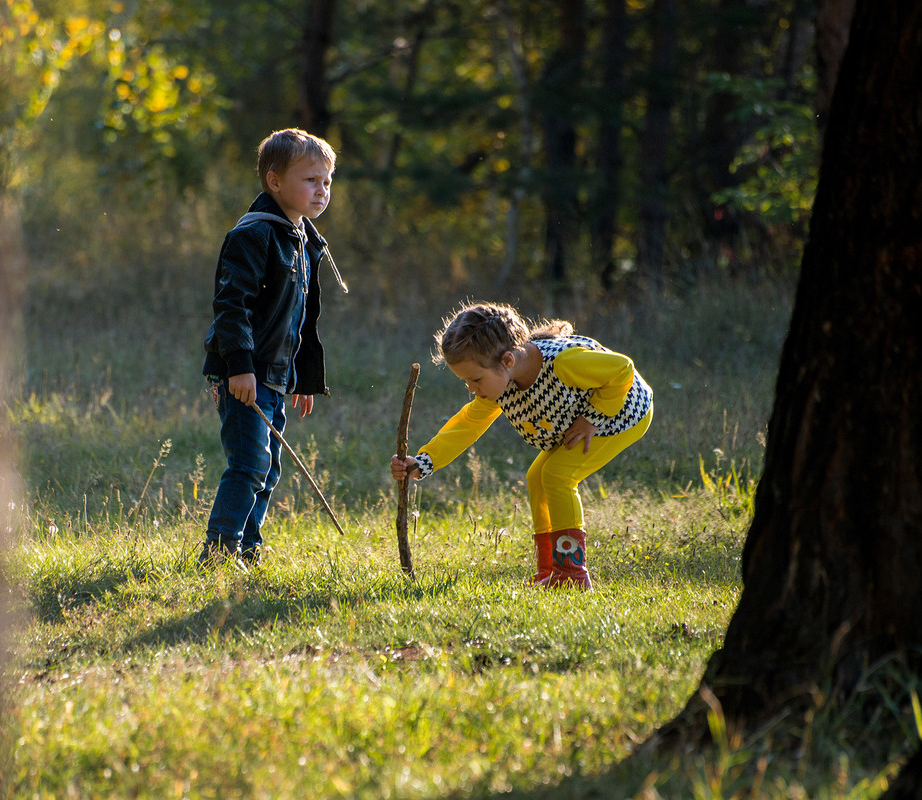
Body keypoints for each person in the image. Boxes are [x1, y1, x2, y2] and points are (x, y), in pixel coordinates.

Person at [389, 302, 653, 590]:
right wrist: (423, 461)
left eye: (475, 379)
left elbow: (621, 370)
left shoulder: (563, 364)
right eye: (466, 381)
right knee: (537, 478)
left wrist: (593, 418)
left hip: (622, 413)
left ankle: (572, 576)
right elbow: (466, 426)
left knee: (557, 475)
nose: (472, 389)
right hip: (582, 420)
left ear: (508, 360)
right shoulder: (503, 384)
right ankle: (549, 569)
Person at [200, 128, 347, 567]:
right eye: (309, 180)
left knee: (269, 468)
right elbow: (232, 305)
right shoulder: (255, 234)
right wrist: (238, 367)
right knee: (249, 463)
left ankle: (248, 547)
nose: (321, 190)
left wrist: (300, 377)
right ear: (274, 182)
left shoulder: (302, 238)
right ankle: (220, 551)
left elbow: (299, 318)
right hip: (245, 372)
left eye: (326, 181)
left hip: (276, 375)